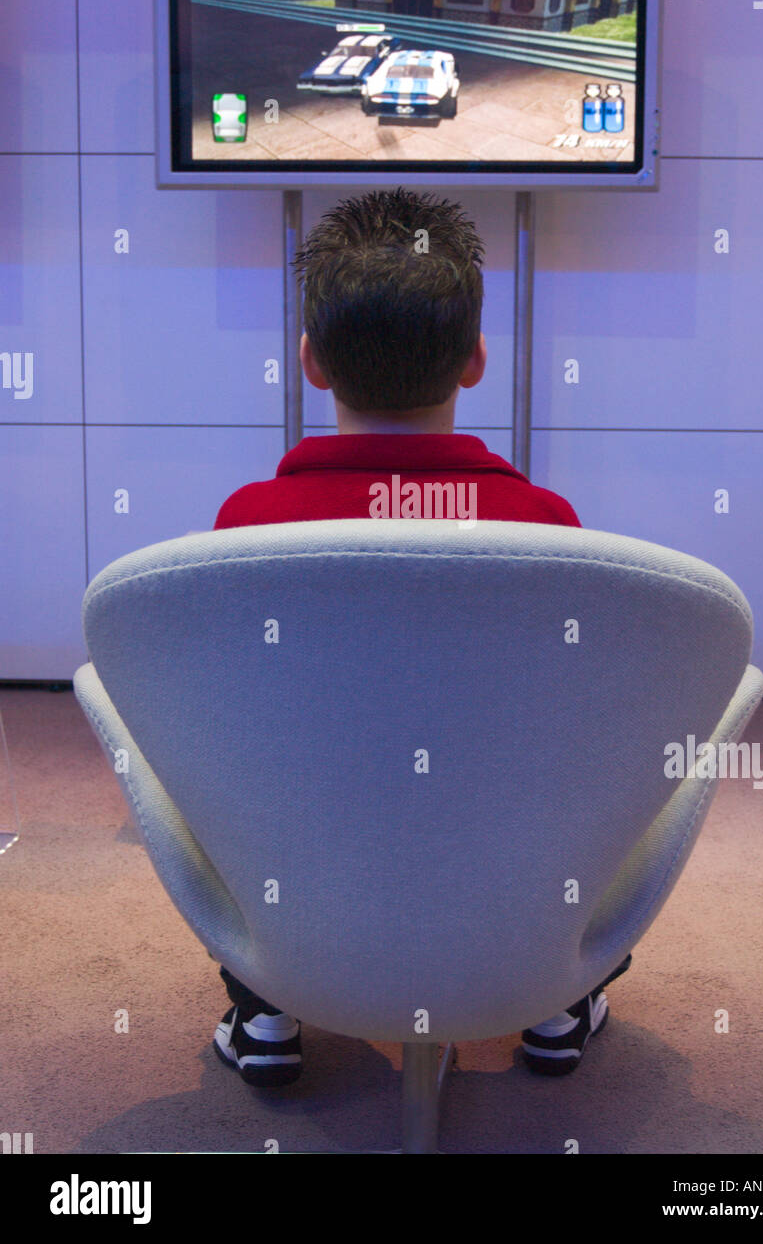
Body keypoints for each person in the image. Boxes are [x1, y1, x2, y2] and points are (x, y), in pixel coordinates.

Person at [210, 186, 631, 1087]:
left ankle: (267, 1006)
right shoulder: (546, 526)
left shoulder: (243, 530)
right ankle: (552, 998)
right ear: (476, 359)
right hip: (505, 882)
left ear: (311, 362)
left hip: (306, 884)